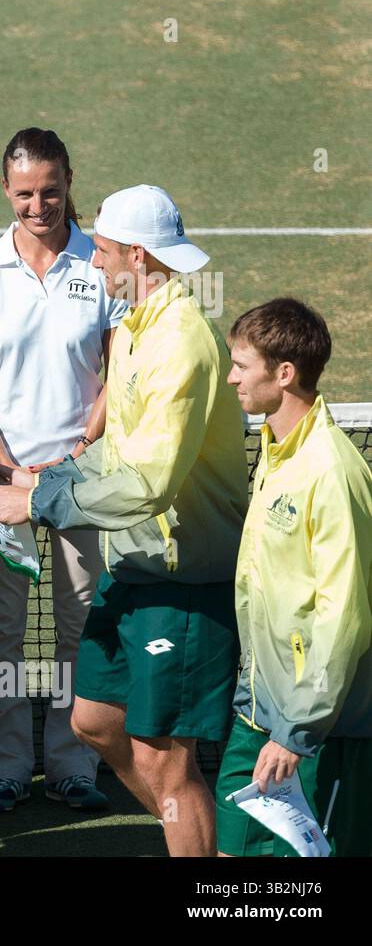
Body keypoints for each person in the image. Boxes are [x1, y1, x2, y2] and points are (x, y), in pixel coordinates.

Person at [0, 184, 247, 856]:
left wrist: (38, 502)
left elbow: (150, 482)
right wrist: (50, 478)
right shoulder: (133, 330)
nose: (92, 262)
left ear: (137, 253)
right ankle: (182, 826)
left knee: (169, 757)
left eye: (101, 250)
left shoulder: (183, 342)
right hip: (134, 568)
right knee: (96, 720)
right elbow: (115, 453)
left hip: (183, 581)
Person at [0, 128, 125, 814]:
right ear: (5, 191)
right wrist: (8, 463)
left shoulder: (103, 266)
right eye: (24, 193)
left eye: (50, 190)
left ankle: (74, 763)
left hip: (81, 481)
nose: (38, 205)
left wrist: (75, 454)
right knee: (0, 628)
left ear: (69, 180)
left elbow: (120, 372)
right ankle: (6, 768)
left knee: (82, 625)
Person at [216, 298, 372, 856]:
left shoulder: (330, 471)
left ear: (284, 374)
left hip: (316, 729)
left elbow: (342, 612)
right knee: (233, 852)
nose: (231, 376)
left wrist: (299, 731)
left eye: (241, 365)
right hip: (259, 707)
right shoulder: (276, 452)